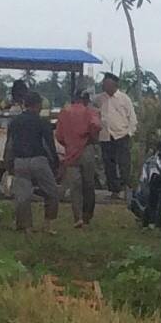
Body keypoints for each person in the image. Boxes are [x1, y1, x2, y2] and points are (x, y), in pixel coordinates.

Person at [1, 83, 61, 230]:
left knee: (23, 196)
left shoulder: (14, 122)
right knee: (52, 192)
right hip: (38, 161)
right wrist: (55, 164)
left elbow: (9, 145)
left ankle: (25, 226)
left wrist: (8, 164)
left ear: (24, 104)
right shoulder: (43, 122)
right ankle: (48, 223)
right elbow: (49, 146)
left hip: (20, 161)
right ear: (38, 105)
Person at [51, 82, 104, 226]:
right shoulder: (90, 112)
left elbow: (59, 135)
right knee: (88, 184)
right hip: (86, 150)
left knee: (75, 186)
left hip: (70, 152)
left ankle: (77, 217)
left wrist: (70, 143)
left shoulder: (64, 112)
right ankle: (87, 215)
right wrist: (91, 139)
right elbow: (96, 126)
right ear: (86, 98)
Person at [94, 72, 138, 197]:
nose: (104, 86)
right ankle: (114, 190)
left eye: (107, 84)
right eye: (103, 84)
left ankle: (126, 189)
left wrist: (129, 133)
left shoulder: (124, 99)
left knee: (124, 163)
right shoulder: (99, 99)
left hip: (121, 135)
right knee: (109, 164)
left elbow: (132, 118)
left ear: (114, 85)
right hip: (105, 136)